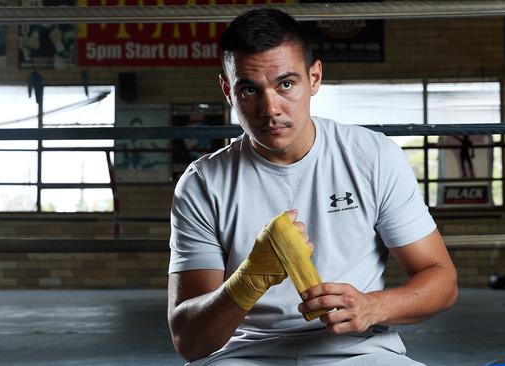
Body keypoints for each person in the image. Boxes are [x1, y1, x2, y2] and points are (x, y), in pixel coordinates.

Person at [167, 8, 458, 366]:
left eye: (286, 84)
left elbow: (441, 281)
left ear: (314, 77)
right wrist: (247, 281)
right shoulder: (202, 183)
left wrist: (372, 306)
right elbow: (189, 340)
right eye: (249, 90)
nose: (270, 108)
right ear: (228, 91)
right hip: (243, 355)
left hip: (359, 351)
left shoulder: (371, 156)